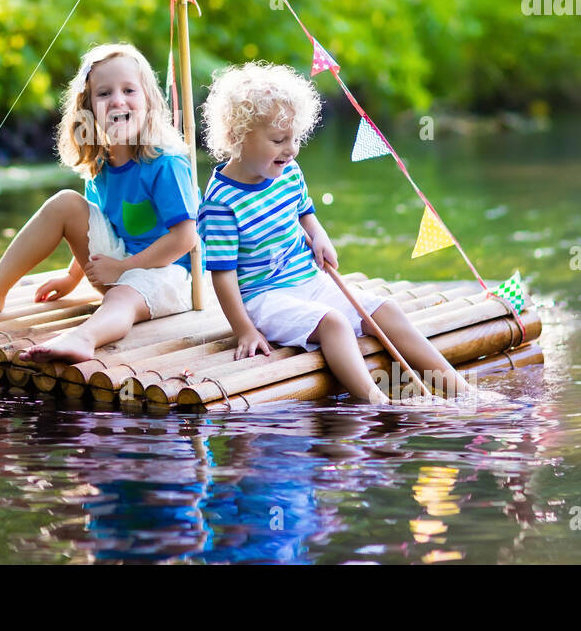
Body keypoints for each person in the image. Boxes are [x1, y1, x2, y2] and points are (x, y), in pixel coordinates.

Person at [198, 62, 473, 404]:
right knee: (335, 323)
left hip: (310, 281)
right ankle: (375, 402)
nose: (291, 150)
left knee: (385, 309)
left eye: (295, 138)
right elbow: (223, 277)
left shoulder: (287, 172)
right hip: (264, 297)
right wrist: (245, 330)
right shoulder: (222, 202)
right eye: (279, 140)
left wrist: (320, 236)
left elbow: (305, 213)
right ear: (238, 137)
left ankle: (460, 389)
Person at [0, 43, 200, 363]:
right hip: (120, 264)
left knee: (123, 296)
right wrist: (73, 277)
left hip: (171, 275)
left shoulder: (166, 163)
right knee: (66, 203)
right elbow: (98, 227)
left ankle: (84, 337)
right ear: (88, 107)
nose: (117, 100)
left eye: (128, 90)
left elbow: (185, 238)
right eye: (103, 93)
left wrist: (123, 268)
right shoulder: (101, 163)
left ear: (149, 101)